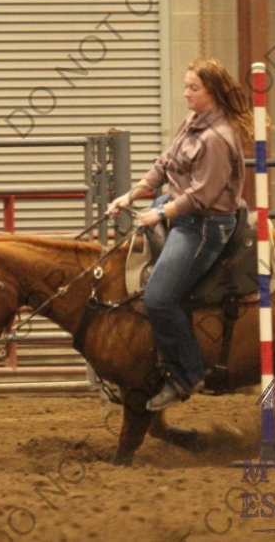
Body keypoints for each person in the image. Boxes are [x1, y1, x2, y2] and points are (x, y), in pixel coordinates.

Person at [108, 58, 252, 411]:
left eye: (193, 88)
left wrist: (157, 213)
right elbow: (164, 164)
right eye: (187, 86)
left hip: (204, 226)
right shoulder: (192, 122)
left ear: (212, 92)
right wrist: (130, 195)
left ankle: (187, 374)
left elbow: (201, 196)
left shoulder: (217, 138)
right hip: (181, 212)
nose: (185, 93)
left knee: (158, 298)